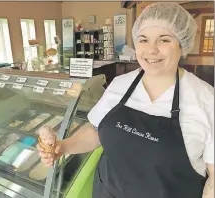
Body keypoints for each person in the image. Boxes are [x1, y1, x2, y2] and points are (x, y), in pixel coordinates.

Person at [37, 2, 214, 198]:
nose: (151, 50)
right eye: (143, 39)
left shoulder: (206, 100)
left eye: (164, 40)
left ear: (182, 44)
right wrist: (64, 146)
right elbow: (96, 131)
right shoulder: (120, 85)